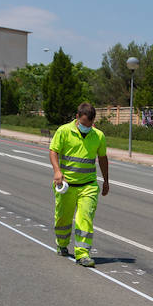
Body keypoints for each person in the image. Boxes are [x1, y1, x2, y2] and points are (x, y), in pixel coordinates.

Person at [48, 102, 110, 267]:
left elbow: (103, 158)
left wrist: (106, 181)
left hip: (88, 185)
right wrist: (57, 171)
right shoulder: (64, 131)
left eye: (89, 125)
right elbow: (53, 151)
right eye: (83, 124)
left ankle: (82, 254)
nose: (86, 127)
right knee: (63, 218)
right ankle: (62, 244)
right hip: (67, 184)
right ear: (77, 117)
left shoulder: (98, 135)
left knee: (85, 218)